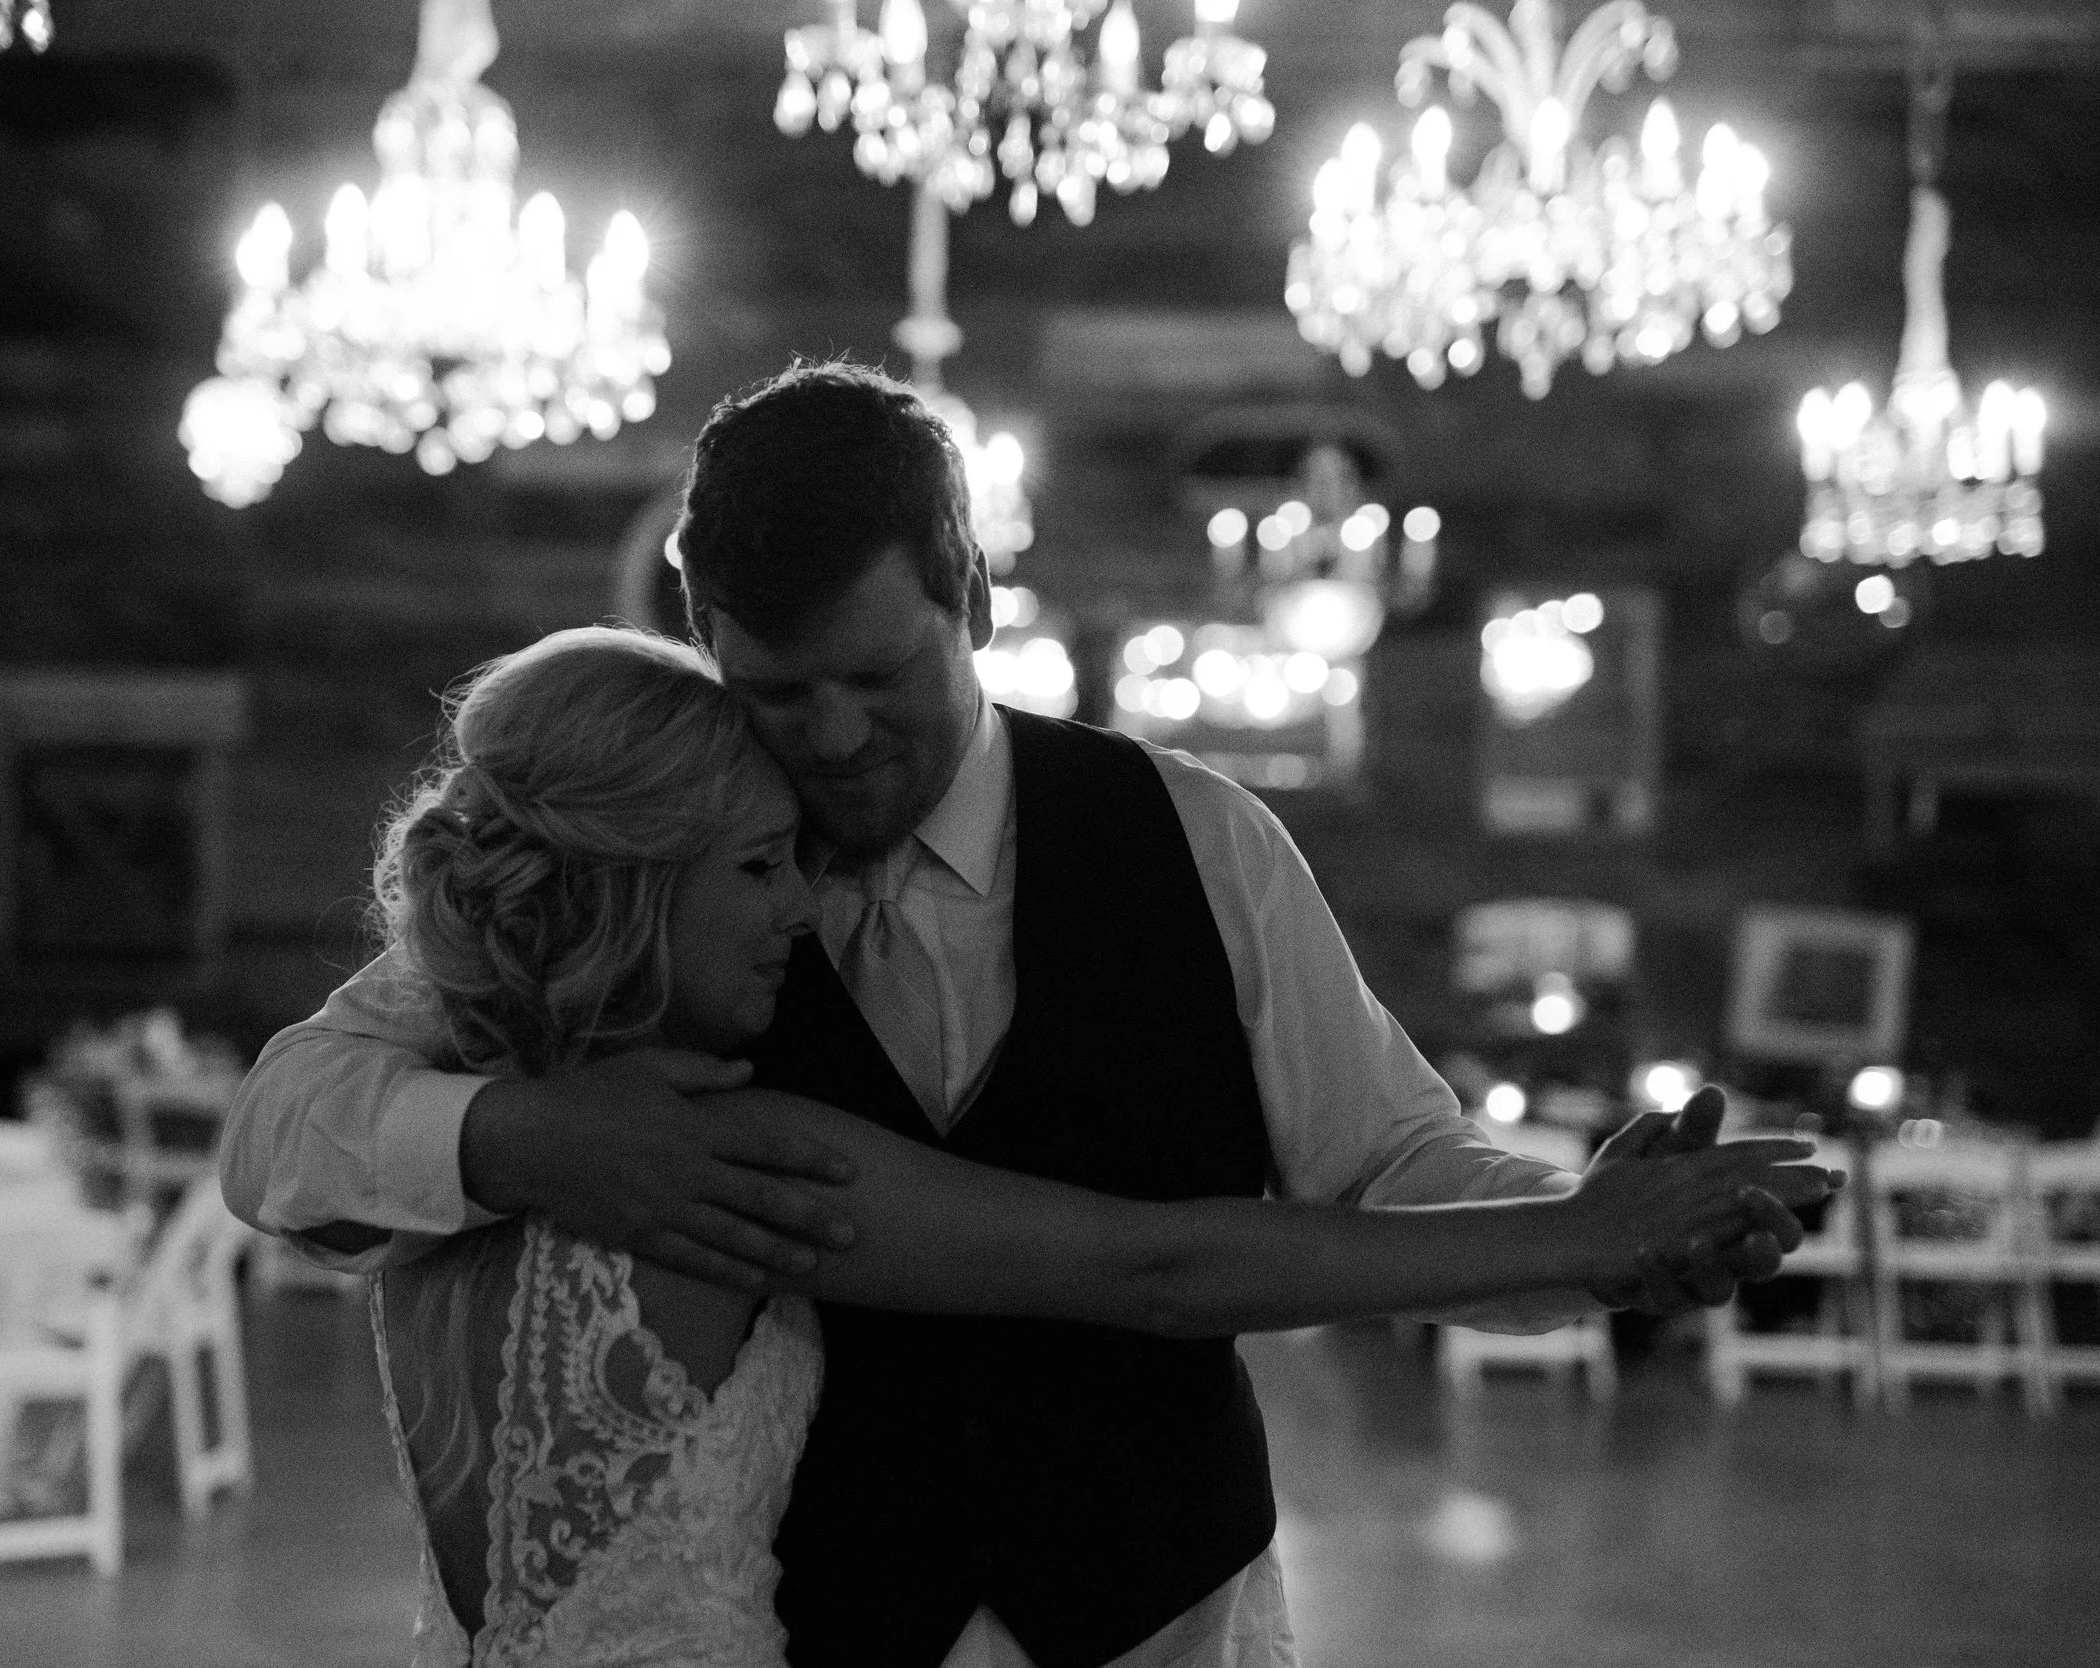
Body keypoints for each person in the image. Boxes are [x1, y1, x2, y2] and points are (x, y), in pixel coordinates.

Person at [222, 361, 1814, 1668]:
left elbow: (1388, 1164)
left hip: (1161, 1615)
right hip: (826, 1628)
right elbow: (286, 1121)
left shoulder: (1201, 839)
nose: (831, 739)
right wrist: (520, 1135)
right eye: (777, 693)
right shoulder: (648, 871)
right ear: (709, 649)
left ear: (973, 599)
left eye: (877, 678)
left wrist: (1589, 1232)